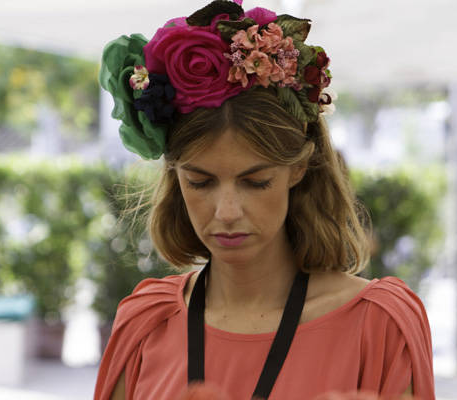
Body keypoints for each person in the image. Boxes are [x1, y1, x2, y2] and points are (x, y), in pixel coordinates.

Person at [94, 1, 435, 399]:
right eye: (200, 182)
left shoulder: (379, 324)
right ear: (175, 178)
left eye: (255, 182)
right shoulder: (145, 322)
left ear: (299, 168)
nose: (227, 212)